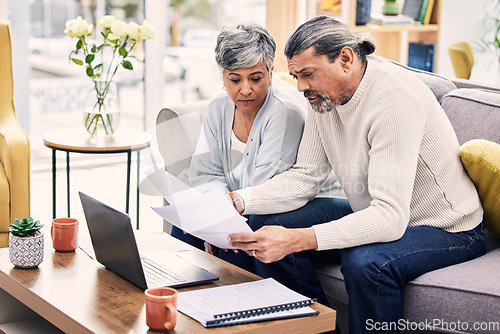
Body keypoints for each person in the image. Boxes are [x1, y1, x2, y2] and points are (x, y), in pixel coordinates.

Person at [226, 16, 485, 333]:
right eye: (295, 76)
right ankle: (313, 329)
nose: (301, 87)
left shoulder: (392, 100)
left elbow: (390, 216)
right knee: (267, 220)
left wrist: (300, 239)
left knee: (366, 263)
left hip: (448, 228)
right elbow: (306, 175)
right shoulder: (324, 97)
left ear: (345, 58)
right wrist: (238, 201)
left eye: (307, 74)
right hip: (377, 211)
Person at [171, 23, 341, 303]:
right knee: (185, 220)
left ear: (271, 73)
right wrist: (215, 214)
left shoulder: (284, 113)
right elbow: (205, 173)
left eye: (256, 78)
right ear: (223, 76)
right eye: (235, 79)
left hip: (295, 205)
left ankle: (240, 312)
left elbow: (265, 189)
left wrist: (222, 221)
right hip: (240, 206)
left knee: (240, 241)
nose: (245, 90)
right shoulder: (217, 108)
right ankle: (177, 299)